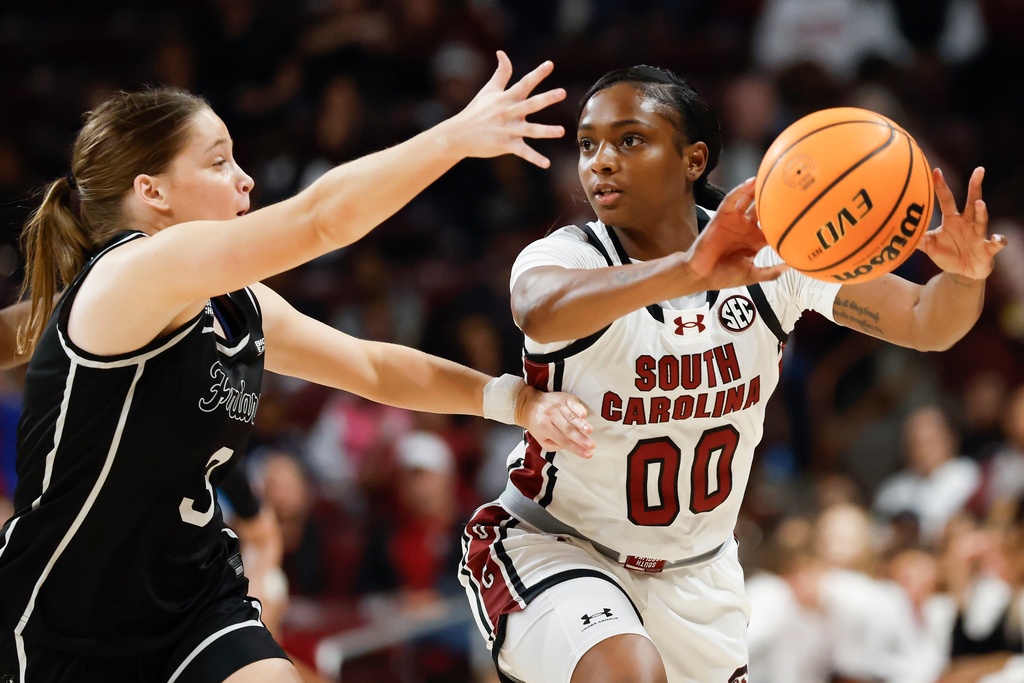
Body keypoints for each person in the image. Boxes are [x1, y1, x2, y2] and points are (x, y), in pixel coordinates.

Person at [0, 51, 597, 683]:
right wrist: (455, 136)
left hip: (194, 599)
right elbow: (320, 219)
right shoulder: (133, 270)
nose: (245, 179)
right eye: (218, 160)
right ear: (152, 192)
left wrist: (515, 402)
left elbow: (370, 367)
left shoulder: (234, 302)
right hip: (67, 616)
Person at [458, 64, 1006, 683]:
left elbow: (926, 323)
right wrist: (689, 270)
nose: (601, 161)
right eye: (589, 144)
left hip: (697, 573)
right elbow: (537, 309)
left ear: (693, 159)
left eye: (630, 139)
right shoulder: (569, 255)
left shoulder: (780, 256)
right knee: (625, 671)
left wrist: (963, 278)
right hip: (554, 543)